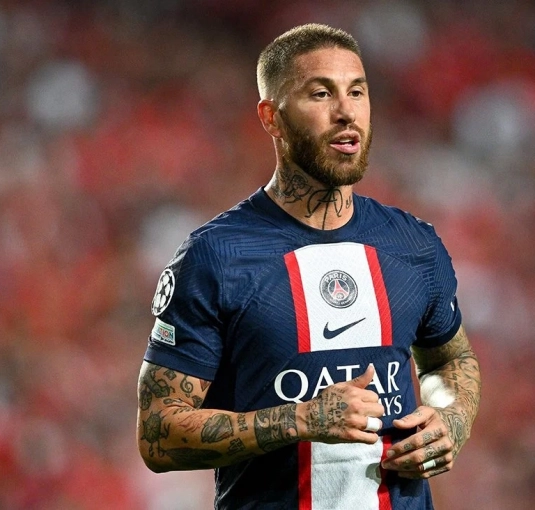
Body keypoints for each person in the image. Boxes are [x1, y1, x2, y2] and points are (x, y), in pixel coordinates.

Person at [137, 23, 481, 510]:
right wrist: (301, 420)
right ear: (271, 118)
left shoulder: (413, 245)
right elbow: (158, 434)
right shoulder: (217, 257)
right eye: (321, 94)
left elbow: (451, 360)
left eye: (357, 92)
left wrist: (451, 417)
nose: (346, 112)